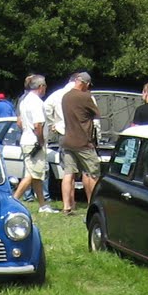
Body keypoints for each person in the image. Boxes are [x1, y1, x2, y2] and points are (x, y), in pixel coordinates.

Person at [12, 74, 56, 212]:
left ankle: (42, 205)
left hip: (26, 139)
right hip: (35, 142)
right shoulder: (37, 102)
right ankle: (13, 201)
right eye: (45, 86)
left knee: (36, 174)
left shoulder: (24, 101)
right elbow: (38, 125)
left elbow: (19, 122)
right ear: (41, 86)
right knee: (31, 175)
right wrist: (41, 140)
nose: (45, 89)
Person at [59, 72, 99, 215]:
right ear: (85, 84)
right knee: (92, 173)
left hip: (68, 140)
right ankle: (93, 204)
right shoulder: (85, 97)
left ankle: (66, 207)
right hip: (83, 142)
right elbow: (97, 113)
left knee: (68, 174)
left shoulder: (65, 96)